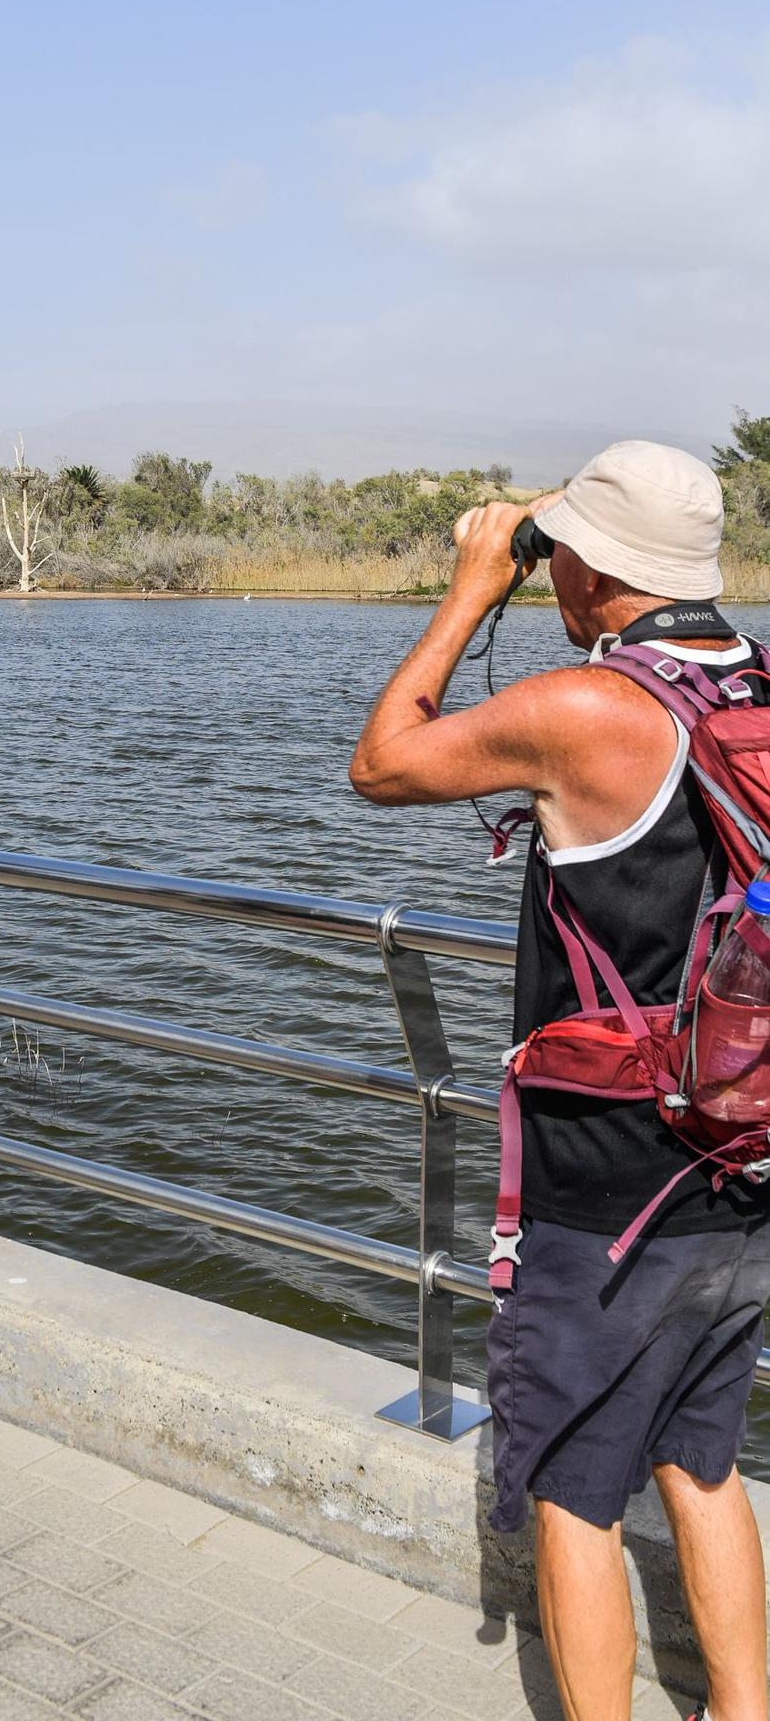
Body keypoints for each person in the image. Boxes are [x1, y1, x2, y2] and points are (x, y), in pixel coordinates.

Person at [349, 440, 770, 1721]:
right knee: (703, 1462)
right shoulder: (756, 685)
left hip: (608, 1189)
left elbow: (380, 762)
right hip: (743, 1157)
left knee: (574, 1487)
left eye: (555, 554)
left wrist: (474, 584)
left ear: (587, 566)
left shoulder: (585, 710)